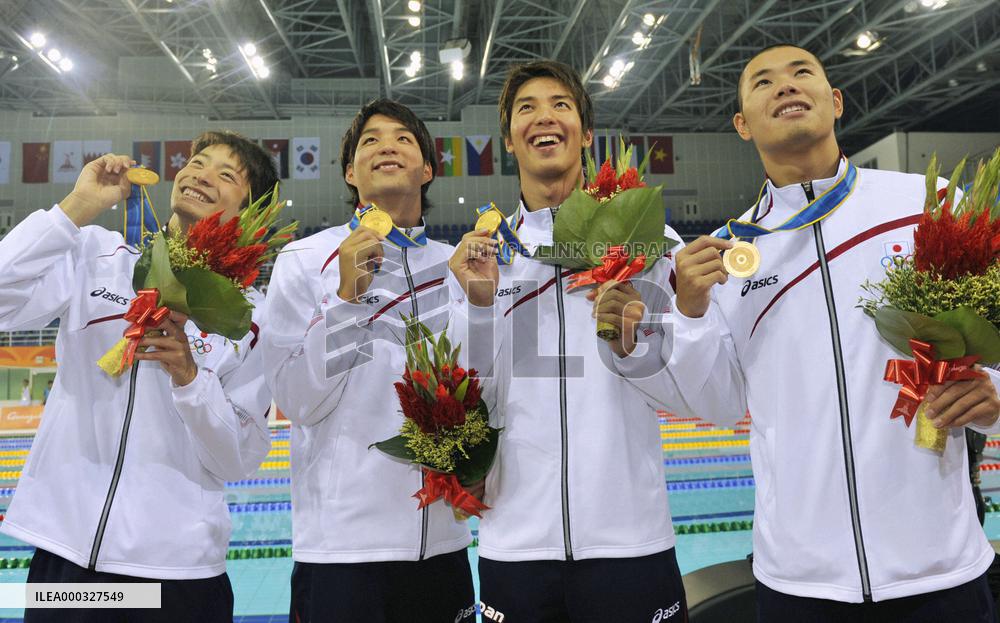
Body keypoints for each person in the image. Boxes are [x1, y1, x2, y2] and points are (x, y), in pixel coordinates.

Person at [666, 44, 1000, 621]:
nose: (786, 87)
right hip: (800, 579)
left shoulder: (929, 202)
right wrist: (690, 312)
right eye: (764, 82)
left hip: (939, 564)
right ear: (742, 125)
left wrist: (995, 386)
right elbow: (720, 404)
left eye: (802, 74)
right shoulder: (728, 254)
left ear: (836, 100)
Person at [0, 131, 277, 622]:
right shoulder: (97, 257)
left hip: (178, 574)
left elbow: (239, 458)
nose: (199, 173)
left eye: (225, 174)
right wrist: (77, 207)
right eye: (196, 161)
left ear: (250, 211)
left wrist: (191, 380)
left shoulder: (247, 320)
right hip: (66, 560)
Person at [260, 99, 500, 623]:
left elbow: (486, 393)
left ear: (428, 169)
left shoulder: (459, 265)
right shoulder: (304, 260)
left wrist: (482, 308)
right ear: (351, 172)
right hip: (342, 554)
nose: (387, 145)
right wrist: (346, 300)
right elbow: (296, 402)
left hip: (443, 549)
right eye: (370, 140)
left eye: (403, 138)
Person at [471, 60, 689, 622]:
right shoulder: (485, 255)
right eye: (527, 108)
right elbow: (470, 390)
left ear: (586, 135)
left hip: (630, 540)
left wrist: (640, 338)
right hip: (516, 543)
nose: (545, 117)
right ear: (508, 141)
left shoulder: (652, 238)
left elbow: (694, 387)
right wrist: (473, 308)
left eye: (561, 105)